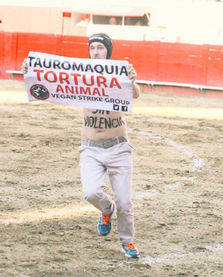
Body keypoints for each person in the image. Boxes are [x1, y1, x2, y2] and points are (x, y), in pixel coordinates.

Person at [22, 33, 141, 258]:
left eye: (100, 48)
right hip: (91, 147)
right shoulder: (79, 73)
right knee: (90, 193)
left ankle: (128, 241)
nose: (96, 51)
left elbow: (135, 95)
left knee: (125, 202)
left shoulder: (120, 72)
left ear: (108, 51)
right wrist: (31, 70)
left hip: (118, 147)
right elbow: (51, 79)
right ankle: (107, 209)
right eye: (92, 47)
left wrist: (132, 81)